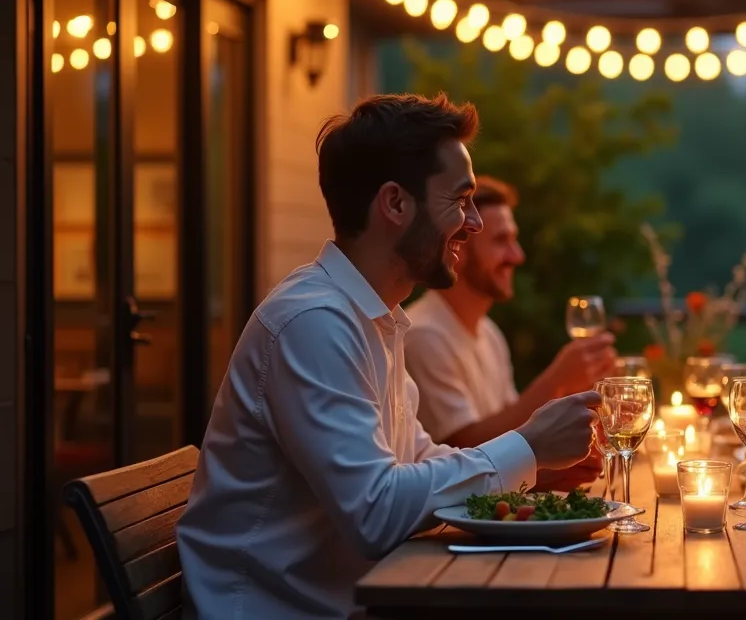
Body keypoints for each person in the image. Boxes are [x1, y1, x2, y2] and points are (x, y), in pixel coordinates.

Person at [176, 94, 601, 620]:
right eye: (460, 200)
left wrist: (531, 469)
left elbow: (416, 460)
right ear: (395, 204)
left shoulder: (371, 317)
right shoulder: (314, 322)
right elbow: (376, 512)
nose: (472, 222)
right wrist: (527, 445)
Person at [404, 175, 613, 489]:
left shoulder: (489, 333)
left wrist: (550, 471)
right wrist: (556, 381)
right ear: (458, 248)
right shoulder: (423, 335)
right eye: (501, 241)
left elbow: (512, 431)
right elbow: (465, 447)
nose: (517, 256)